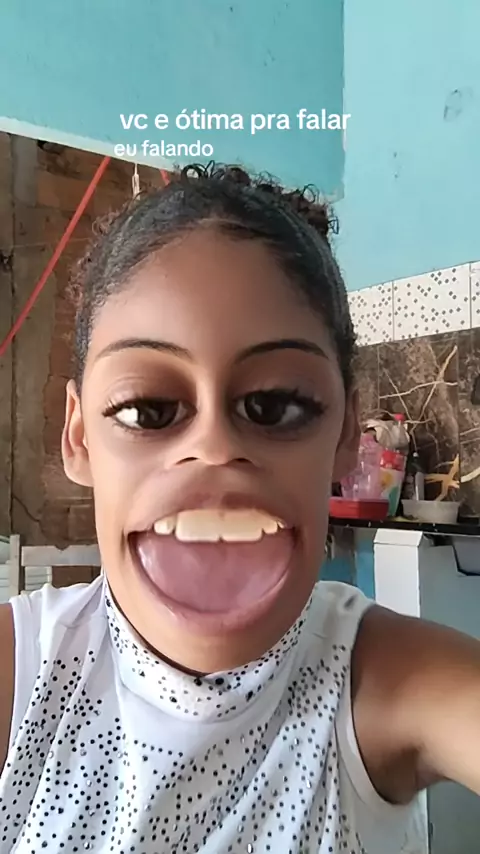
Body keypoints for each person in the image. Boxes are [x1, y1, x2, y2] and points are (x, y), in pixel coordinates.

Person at [0, 163, 478, 854]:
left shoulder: (384, 680)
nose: (215, 448)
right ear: (78, 436)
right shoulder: (20, 677)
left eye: (277, 405)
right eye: (147, 409)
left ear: (347, 432)